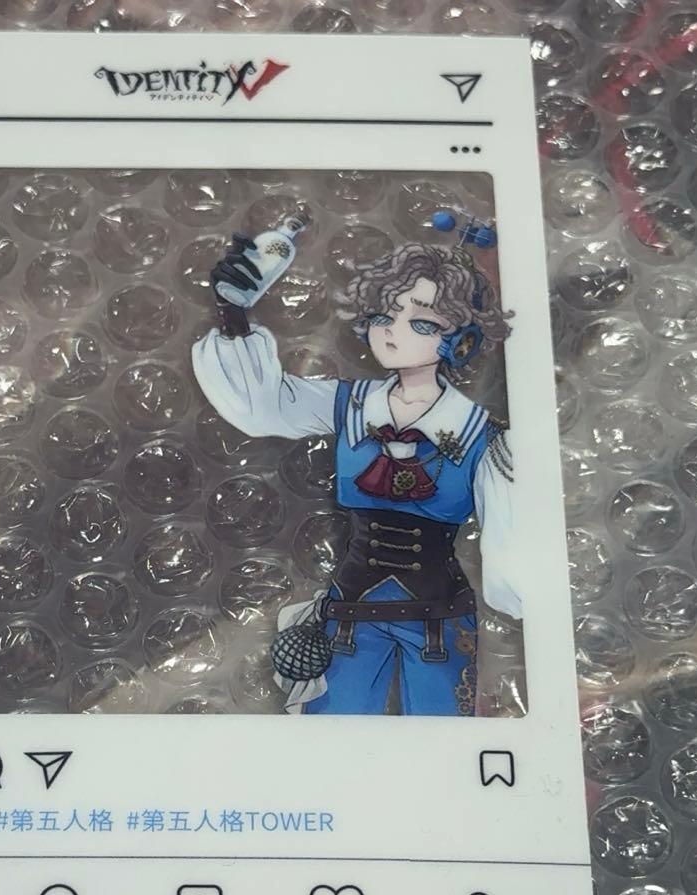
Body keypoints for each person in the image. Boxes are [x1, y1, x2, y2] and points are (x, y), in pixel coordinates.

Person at [193, 234, 520, 716]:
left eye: (421, 322)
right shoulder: (349, 404)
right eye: (384, 317)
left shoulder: (484, 436)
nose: (392, 332)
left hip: (440, 620)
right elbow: (263, 406)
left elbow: (513, 549)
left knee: (445, 744)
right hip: (349, 614)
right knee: (329, 738)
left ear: (462, 340)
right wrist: (233, 313)